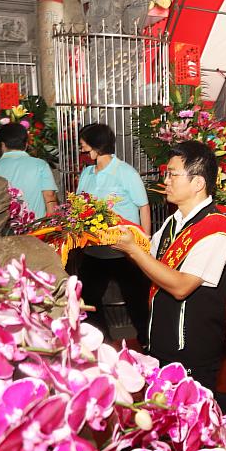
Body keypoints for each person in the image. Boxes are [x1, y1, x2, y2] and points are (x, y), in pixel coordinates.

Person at [111, 140, 226, 451]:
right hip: (164, 335)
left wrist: (133, 250)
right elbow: (152, 261)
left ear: (198, 182)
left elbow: (180, 286)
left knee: (198, 409)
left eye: (173, 175)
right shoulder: (172, 222)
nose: (165, 181)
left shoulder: (216, 230)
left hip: (193, 340)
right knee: (181, 408)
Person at [76, 123, 151, 345]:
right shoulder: (87, 172)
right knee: (87, 300)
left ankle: (148, 342)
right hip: (93, 249)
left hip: (124, 250)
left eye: (84, 143)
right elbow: (80, 204)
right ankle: (101, 341)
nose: (81, 147)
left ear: (95, 145)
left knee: (136, 300)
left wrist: (144, 242)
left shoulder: (125, 172)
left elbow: (143, 206)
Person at [0, 123, 58, 219]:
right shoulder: (40, 165)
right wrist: (52, 224)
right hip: (36, 227)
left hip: (5, 228)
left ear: (2, 145)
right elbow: (49, 195)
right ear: (26, 144)